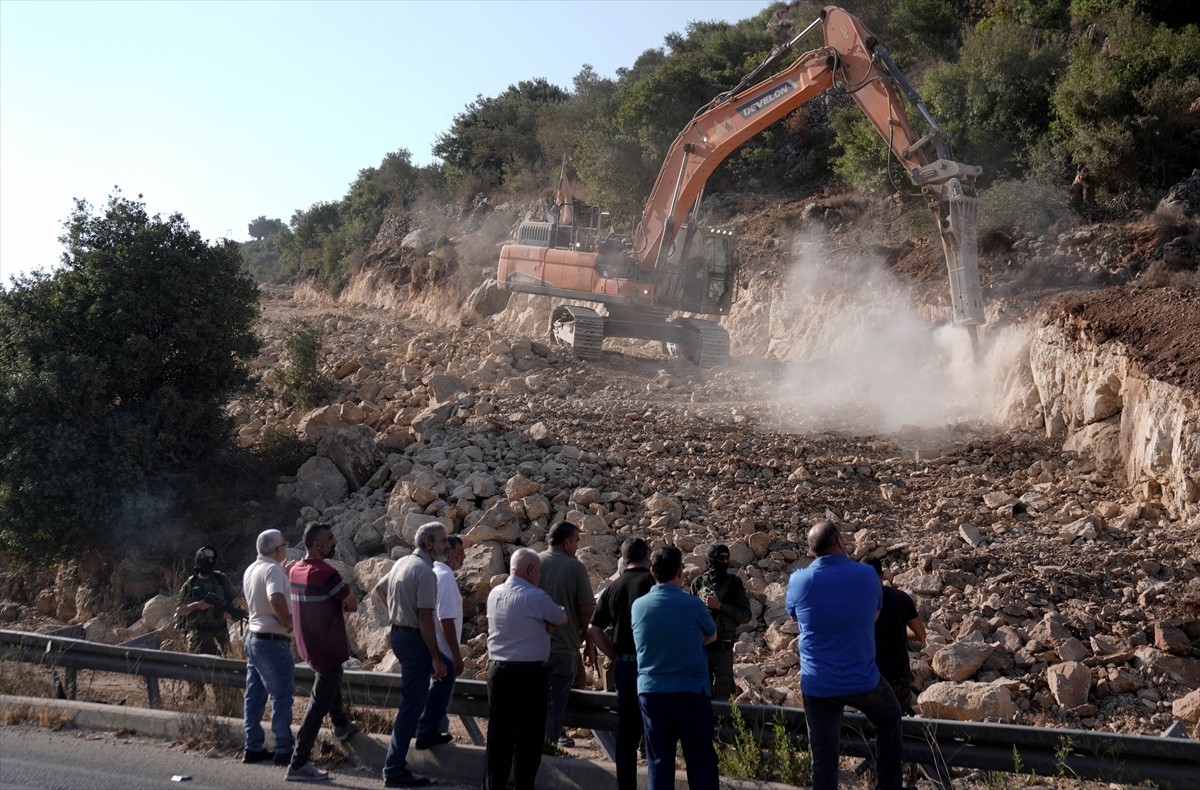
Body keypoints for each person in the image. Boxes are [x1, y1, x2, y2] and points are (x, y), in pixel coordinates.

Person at [786, 522, 902, 790]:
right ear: (840, 542)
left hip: (819, 684)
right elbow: (874, 615)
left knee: (824, 757)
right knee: (890, 718)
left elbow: (794, 616)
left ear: (810, 549)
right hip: (862, 678)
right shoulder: (866, 575)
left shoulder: (799, 580)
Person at [631, 546, 719, 790]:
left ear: (652, 572)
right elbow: (711, 635)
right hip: (690, 691)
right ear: (680, 572)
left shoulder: (638, 606)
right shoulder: (693, 605)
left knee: (659, 761)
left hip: (651, 691)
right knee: (700, 761)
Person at [374, 522, 449, 788]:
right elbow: (426, 618)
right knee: (410, 706)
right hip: (414, 639)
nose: (447, 545)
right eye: (442, 541)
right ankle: (394, 769)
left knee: (412, 700)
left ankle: (427, 732)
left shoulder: (402, 562)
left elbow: (379, 589)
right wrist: (436, 657)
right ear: (428, 544)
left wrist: (397, 613)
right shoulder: (426, 572)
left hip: (399, 635)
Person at [485, 548, 567, 790]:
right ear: (531, 569)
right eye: (538, 571)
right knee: (528, 738)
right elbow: (561, 616)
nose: (539, 575)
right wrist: (546, 628)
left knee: (499, 736)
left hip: (497, 670)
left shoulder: (494, 593)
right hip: (528, 674)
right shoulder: (535, 596)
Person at [285, 523, 360, 782]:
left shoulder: (295, 569)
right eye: (330, 539)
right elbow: (352, 603)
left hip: (309, 646)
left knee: (332, 681)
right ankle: (298, 763)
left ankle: (341, 725)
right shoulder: (325, 572)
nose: (334, 542)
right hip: (327, 646)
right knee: (317, 704)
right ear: (317, 544)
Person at [587, 538, 654, 790]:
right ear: (648, 556)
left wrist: (613, 653)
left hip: (624, 667)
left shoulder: (612, 588)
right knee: (656, 728)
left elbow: (593, 628)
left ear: (624, 560)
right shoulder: (652, 584)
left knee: (627, 732)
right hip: (651, 666)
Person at [537, 520, 594, 748]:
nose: (578, 546)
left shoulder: (534, 562)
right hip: (565, 645)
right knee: (562, 692)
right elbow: (586, 612)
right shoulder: (576, 567)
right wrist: (590, 645)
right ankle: (553, 739)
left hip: (534, 646)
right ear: (568, 541)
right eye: (577, 541)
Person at [242, 529, 296, 768]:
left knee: (254, 697)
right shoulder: (273, 569)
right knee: (281, 696)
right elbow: (275, 598)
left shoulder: (252, 569)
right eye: (284, 545)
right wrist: (288, 623)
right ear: (277, 550)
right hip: (273, 640)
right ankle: (284, 749)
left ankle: (253, 746)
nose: (286, 548)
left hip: (254, 639)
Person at [415, 534, 466, 750]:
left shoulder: (433, 573)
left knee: (435, 694)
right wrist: (456, 656)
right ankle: (428, 732)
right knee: (439, 692)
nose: (463, 558)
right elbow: (446, 620)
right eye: (460, 553)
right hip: (443, 648)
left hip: (431, 645)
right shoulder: (444, 577)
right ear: (449, 552)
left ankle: (432, 731)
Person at [175, 545, 239, 708]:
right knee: (195, 677)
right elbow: (180, 610)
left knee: (222, 678)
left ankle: (226, 709)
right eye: (206, 559)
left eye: (212, 559)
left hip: (220, 634)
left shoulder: (221, 579)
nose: (210, 562)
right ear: (199, 560)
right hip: (198, 636)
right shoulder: (191, 583)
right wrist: (197, 605)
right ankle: (197, 709)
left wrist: (230, 612)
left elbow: (235, 600)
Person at [863, 556, 926, 714]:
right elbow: (921, 635)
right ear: (882, 575)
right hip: (898, 676)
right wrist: (899, 630)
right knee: (899, 724)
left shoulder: (856, 602)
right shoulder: (901, 598)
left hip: (868, 676)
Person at [689, 543, 752, 700]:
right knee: (701, 695)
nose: (724, 562)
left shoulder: (734, 583)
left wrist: (719, 606)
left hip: (724, 648)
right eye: (720, 558)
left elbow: (745, 615)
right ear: (711, 560)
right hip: (702, 648)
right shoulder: (698, 583)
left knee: (722, 698)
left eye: (726, 558)